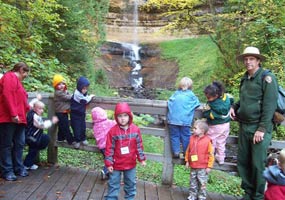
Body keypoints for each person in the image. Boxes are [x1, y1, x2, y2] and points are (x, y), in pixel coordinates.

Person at [230, 46, 279, 200]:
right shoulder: (245, 78)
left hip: (259, 128)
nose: (248, 62)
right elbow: (245, 98)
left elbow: (269, 105)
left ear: (258, 61)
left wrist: (262, 128)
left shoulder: (267, 78)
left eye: (251, 59)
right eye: (246, 59)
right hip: (244, 126)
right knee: (243, 162)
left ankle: (258, 196)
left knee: (258, 164)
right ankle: (248, 193)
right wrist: (234, 107)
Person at [104, 102, 146, 200]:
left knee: (130, 183)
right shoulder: (113, 131)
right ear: (116, 117)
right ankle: (111, 198)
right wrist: (109, 163)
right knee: (113, 183)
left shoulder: (135, 130)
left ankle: (129, 198)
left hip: (130, 163)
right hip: (116, 164)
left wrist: (142, 159)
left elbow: (139, 145)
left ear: (129, 116)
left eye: (125, 116)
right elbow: (109, 148)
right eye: (120, 116)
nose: (123, 118)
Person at [0, 62, 30, 181]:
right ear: (21, 70)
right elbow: (8, 95)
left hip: (20, 119)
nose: (25, 76)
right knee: (6, 145)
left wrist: (28, 107)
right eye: (25, 73)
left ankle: (18, 167)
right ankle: (7, 170)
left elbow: (21, 99)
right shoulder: (9, 77)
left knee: (20, 143)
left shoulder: (19, 83)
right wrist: (13, 113)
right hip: (9, 118)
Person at [167, 77, 200, 158]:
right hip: (185, 120)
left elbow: (169, 101)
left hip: (173, 120)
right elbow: (197, 103)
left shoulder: (176, 93)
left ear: (180, 85)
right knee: (186, 136)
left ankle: (176, 152)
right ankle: (186, 152)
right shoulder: (191, 95)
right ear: (190, 86)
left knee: (174, 136)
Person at [24, 100, 58, 170]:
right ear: (34, 108)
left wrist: (37, 98)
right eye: (40, 108)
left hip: (30, 135)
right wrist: (52, 122)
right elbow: (42, 125)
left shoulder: (31, 112)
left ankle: (30, 163)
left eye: (42, 109)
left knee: (34, 149)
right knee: (34, 149)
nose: (42, 110)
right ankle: (26, 165)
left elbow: (30, 104)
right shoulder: (35, 117)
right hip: (31, 137)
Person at [203, 81, 232, 165]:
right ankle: (221, 158)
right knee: (221, 142)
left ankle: (209, 158)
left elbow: (210, 114)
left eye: (209, 98)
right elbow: (232, 99)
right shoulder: (226, 97)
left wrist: (205, 112)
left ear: (215, 96)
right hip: (226, 125)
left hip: (216, 125)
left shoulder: (214, 104)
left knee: (211, 141)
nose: (207, 99)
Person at [185, 119, 214, 200]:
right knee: (192, 182)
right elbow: (188, 150)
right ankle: (192, 196)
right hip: (193, 165)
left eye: (195, 128)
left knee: (202, 183)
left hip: (203, 167)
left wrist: (209, 166)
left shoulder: (208, 141)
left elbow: (211, 154)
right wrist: (187, 160)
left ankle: (201, 197)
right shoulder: (192, 138)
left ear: (202, 131)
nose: (193, 129)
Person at [91, 106, 116, 180]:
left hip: (101, 147)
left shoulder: (95, 125)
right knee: (111, 159)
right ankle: (105, 171)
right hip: (108, 146)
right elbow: (115, 123)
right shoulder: (107, 123)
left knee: (107, 159)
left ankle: (108, 173)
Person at [70, 76, 95, 149]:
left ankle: (83, 138)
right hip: (75, 114)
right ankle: (77, 141)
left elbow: (85, 96)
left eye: (86, 88)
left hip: (81, 113)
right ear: (79, 87)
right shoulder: (77, 94)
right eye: (83, 88)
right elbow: (85, 100)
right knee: (76, 127)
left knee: (83, 126)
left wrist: (88, 94)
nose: (85, 90)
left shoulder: (82, 92)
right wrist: (91, 96)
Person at [53, 74, 74, 145]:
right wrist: (76, 96)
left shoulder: (63, 92)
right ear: (55, 86)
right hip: (60, 113)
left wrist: (67, 92)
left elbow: (67, 95)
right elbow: (69, 97)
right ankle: (70, 140)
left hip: (64, 112)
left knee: (62, 125)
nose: (61, 86)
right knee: (65, 127)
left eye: (63, 84)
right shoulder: (58, 93)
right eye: (59, 84)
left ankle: (60, 138)